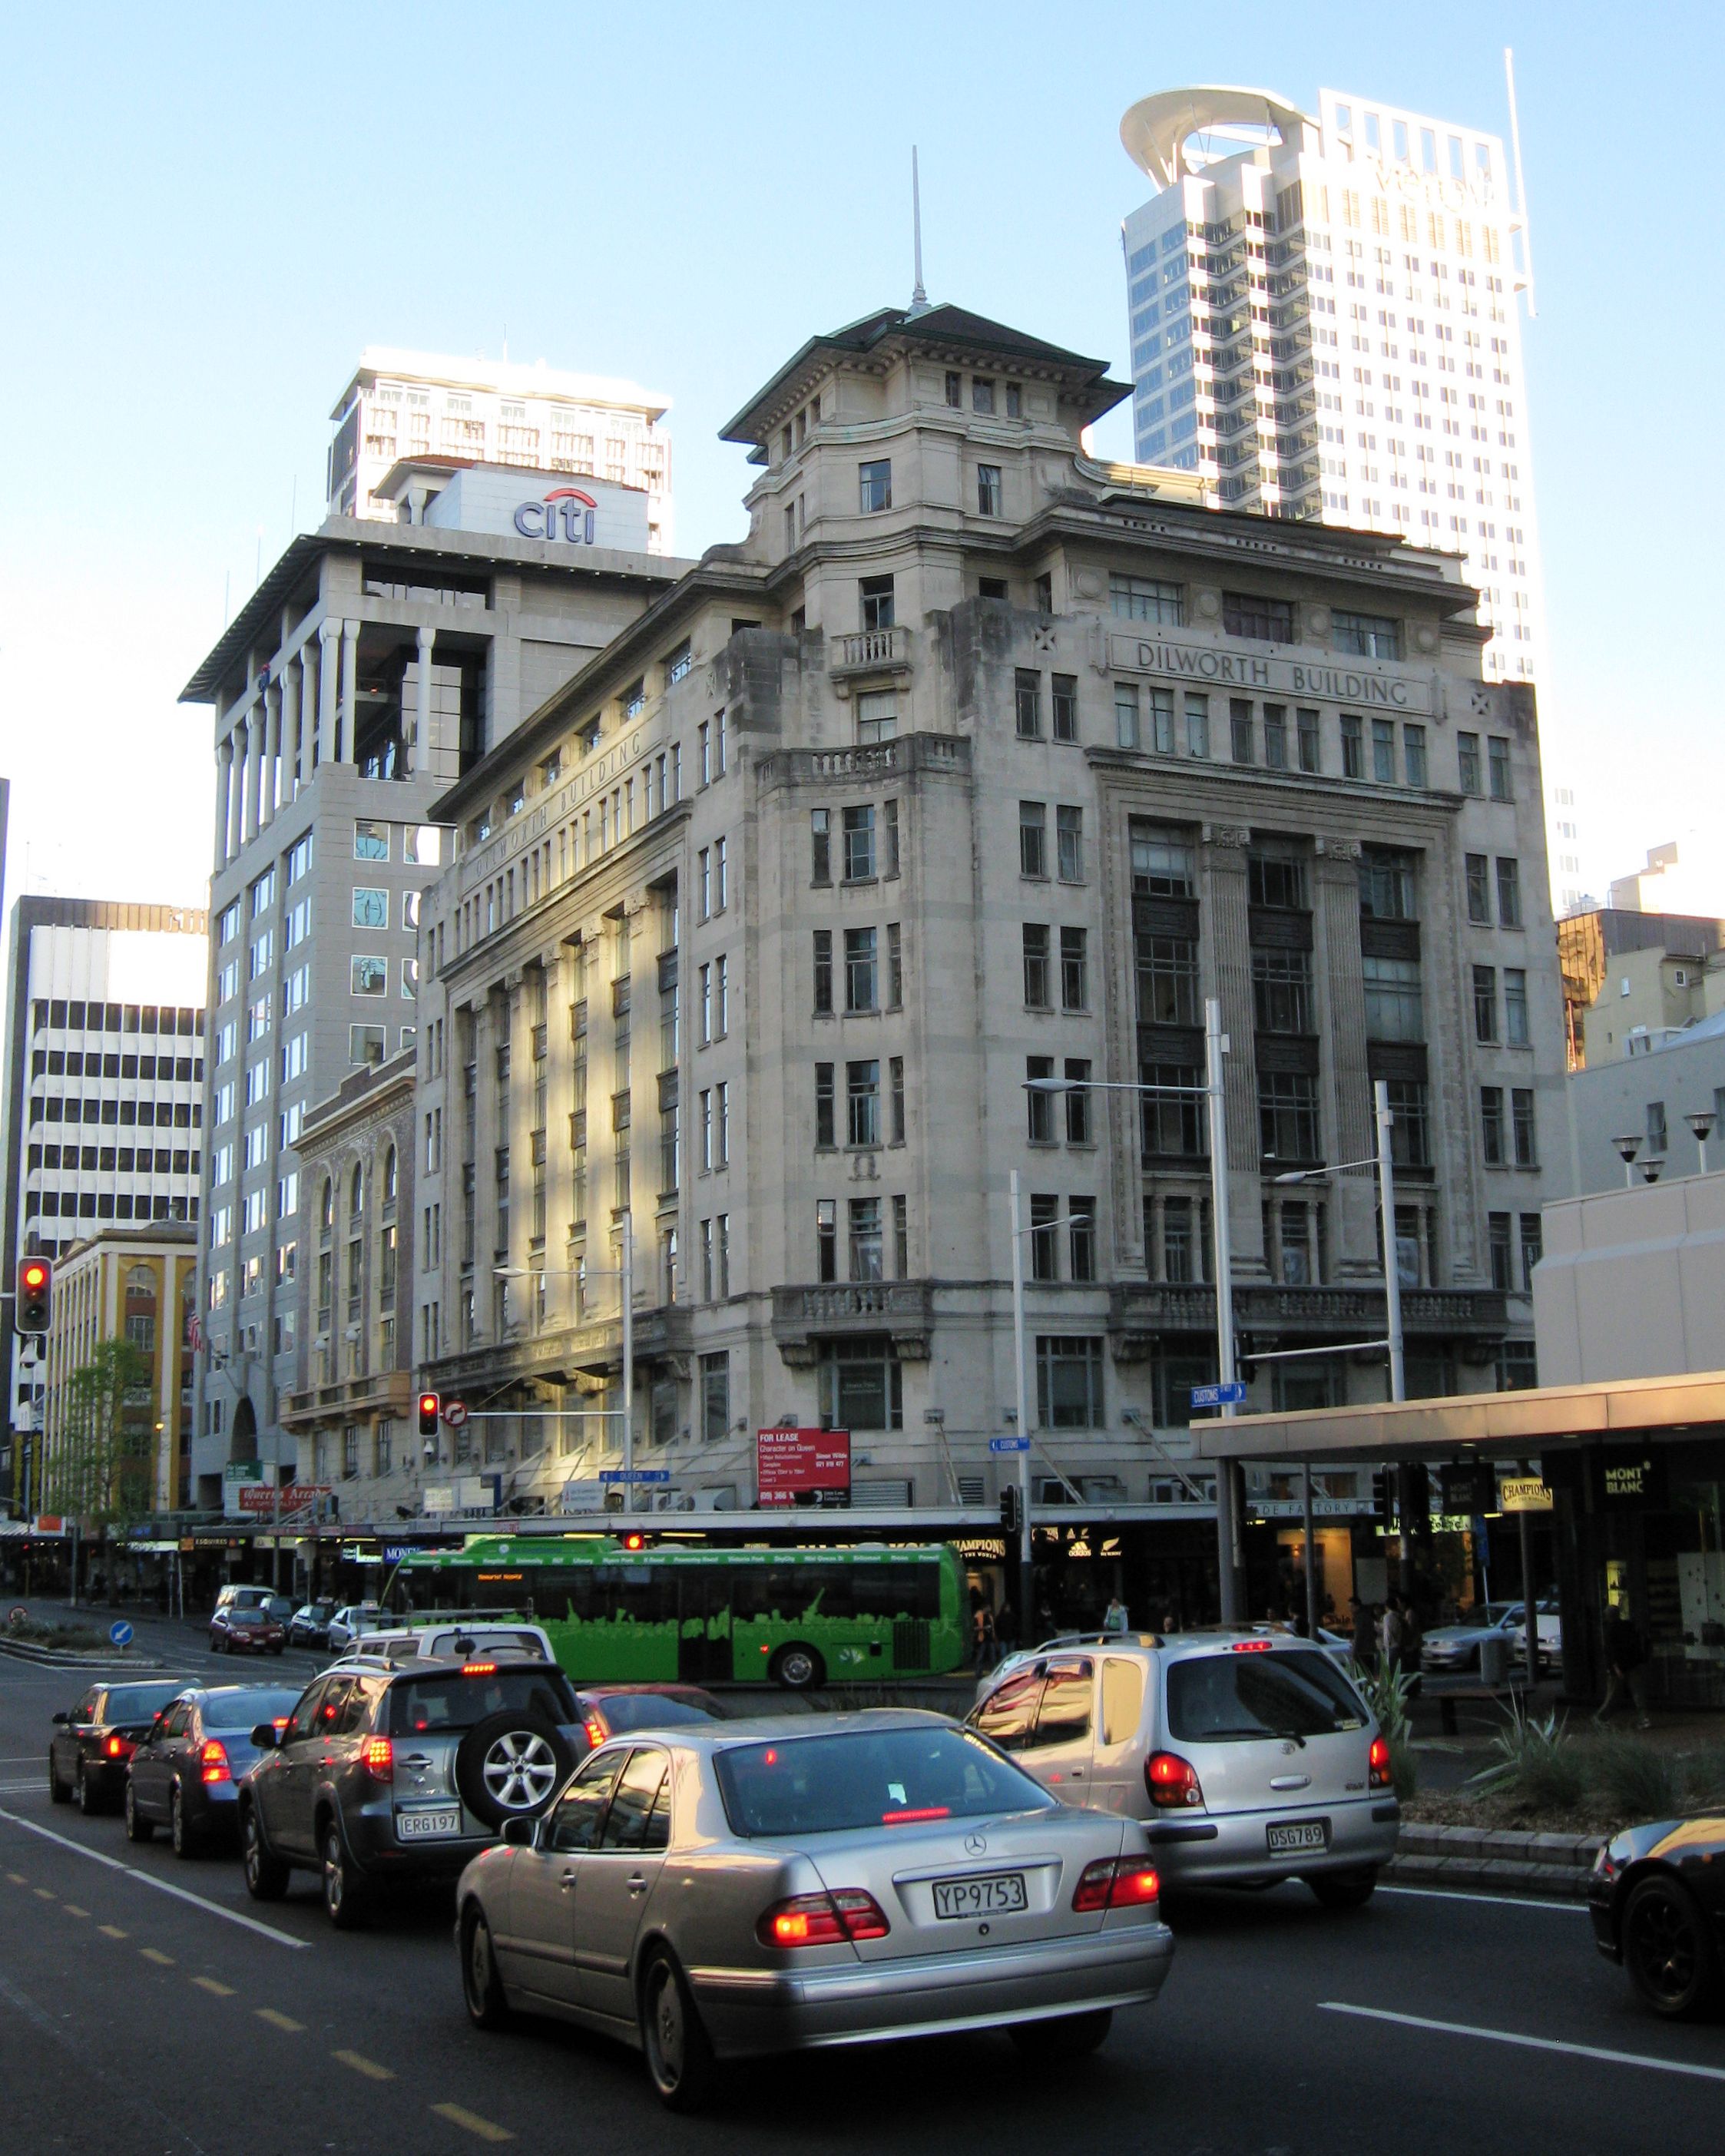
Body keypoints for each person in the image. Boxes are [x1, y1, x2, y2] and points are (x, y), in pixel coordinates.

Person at [1597, 1601, 1652, 1729]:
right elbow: (1637, 1643)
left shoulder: (1610, 1631)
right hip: (1633, 1664)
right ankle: (1644, 1718)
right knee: (1638, 1692)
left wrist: (1615, 1667)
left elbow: (1610, 1651)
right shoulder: (1628, 1626)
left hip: (1619, 1667)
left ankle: (1601, 1718)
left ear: (1608, 1616)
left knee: (1613, 1695)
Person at [1378, 1598, 1403, 1674]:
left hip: (1391, 1645)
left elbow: (1388, 1632)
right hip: (1399, 1644)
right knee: (1397, 1668)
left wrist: (1386, 1644)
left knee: (1390, 1669)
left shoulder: (1387, 1617)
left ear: (1387, 1607)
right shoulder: (1399, 1616)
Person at [1349, 1598, 1376, 1668]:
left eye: (1352, 1606)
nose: (1350, 1609)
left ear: (1357, 1607)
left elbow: (1358, 1635)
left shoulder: (1360, 1618)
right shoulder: (1367, 1616)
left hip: (1363, 1651)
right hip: (1370, 1649)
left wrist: (1354, 1654)